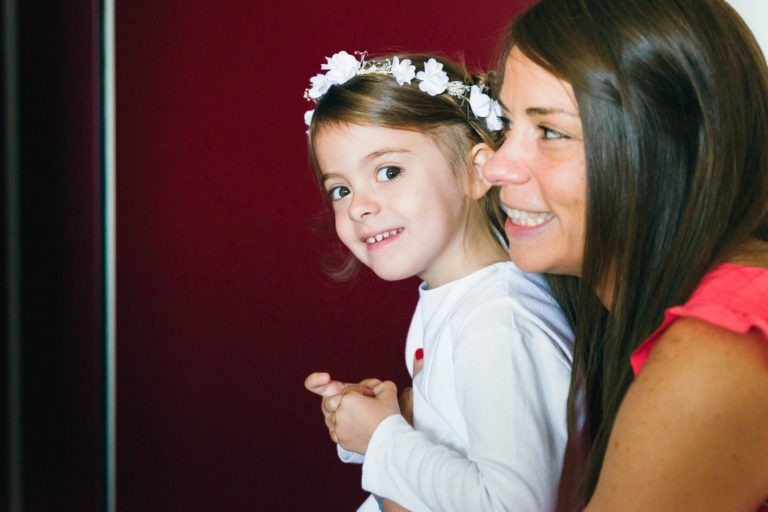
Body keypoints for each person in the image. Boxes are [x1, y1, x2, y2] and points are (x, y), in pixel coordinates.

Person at [481, 0, 768, 510]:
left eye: (550, 132)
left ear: (663, 151)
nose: (497, 167)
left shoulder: (717, 351)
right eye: (507, 124)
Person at [302, 51, 575, 511]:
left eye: (388, 172)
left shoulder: (498, 323)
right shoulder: (453, 300)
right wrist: (396, 419)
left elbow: (513, 505)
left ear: (477, 171)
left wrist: (381, 438)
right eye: (341, 189)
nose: (358, 206)